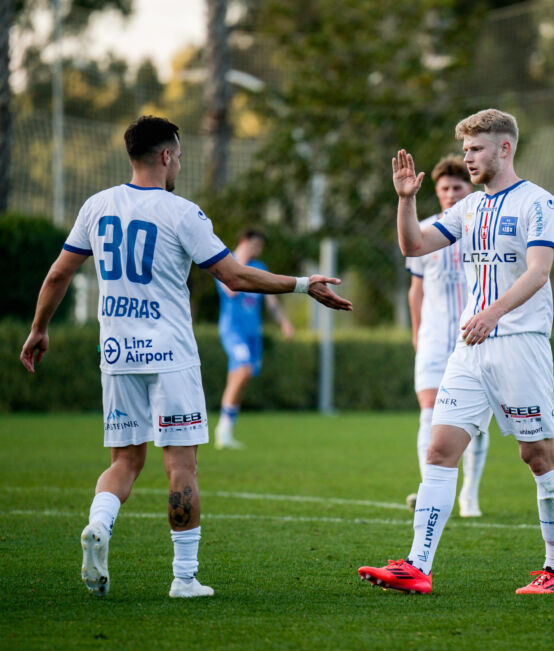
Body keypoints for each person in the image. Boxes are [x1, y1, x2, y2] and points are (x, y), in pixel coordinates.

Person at [19, 115, 351, 599]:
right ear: (166, 156)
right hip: (171, 356)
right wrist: (303, 285)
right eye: (180, 157)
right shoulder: (182, 213)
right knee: (181, 467)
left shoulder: (97, 207)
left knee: (125, 461)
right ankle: (184, 578)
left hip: (115, 354)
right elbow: (235, 277)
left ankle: (99, 526)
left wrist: (39, 328)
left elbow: (57, 275)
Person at [358, 109, 554, 595]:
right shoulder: (469, 208)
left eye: (476, 149)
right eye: (466, 149)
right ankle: (417, 565)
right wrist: (406, 201)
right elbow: (414, 246)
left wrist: (493, 312)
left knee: (537, 456)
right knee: (439, 450)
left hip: (519, 344)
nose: (468, 158)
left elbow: (539, 271)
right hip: (469, 348)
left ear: (505, 148)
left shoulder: (539, 202)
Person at [405, 155, 490, 517]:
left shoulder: (482, 227)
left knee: (475, 423)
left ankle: (469, 493)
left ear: (467, 188)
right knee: (429, 414)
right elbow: (416, 291)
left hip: (474, 337)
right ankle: (431, 491)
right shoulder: (424, 231)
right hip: (434, 339)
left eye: (458, 187)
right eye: (444, 189)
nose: (451, 194)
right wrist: (417, 332)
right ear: (436, 192)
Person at [213, 228, 295, 450]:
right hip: (233, 329)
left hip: (252, 333)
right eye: (255, 245)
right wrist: (240, 262)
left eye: (260, 247)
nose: (257, 250)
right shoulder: (225, 262)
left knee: (240, 378)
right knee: (243, 369)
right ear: (244, 242)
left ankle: (226, 429)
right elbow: (230, 290)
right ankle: (222, 429)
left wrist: (284, 322)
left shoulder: (260, 268)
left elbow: (271, 301)